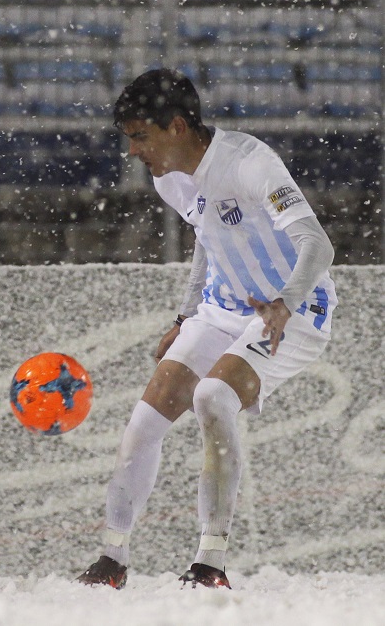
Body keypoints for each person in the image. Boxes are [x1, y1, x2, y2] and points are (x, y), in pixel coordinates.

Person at [77, 68, 337, 589]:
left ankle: (209, 563)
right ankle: (111, 559)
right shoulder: (169, 177)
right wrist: (184, 315)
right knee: (144, 421)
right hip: (221, 309)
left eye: (139, 136)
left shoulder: (250, 164)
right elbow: (208, 234)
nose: (132, 151)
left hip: (293, 311)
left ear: (176, 127)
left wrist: (284, 303)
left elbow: (317, 244)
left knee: (214, 397)